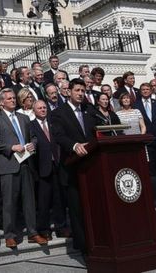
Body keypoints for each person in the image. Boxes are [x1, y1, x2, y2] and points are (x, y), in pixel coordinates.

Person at [0, 89, 44, 248]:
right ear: (2, 102)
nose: (13, 100)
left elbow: (33, 137)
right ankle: (10, 235)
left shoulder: (24, 118)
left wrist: (33, 144)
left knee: (29, 201)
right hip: (8, 165)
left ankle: (33, 233)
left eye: (14, 98)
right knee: (9, 202)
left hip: (26, 163)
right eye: (9, 98)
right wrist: (11, 147)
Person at [50, 78, 99, 254]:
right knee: (78, 211)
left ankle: (98, 243)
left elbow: (98, 132)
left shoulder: (89, 110)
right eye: (77, 90)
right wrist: (74, 146)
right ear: (69, 91)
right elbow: (58, 135)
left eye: (83, 91)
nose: (80, 94)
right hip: (72, 168)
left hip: (92, 166)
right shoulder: (58, 113)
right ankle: (84, 248)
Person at [29, 99, 68, 240]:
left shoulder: (53, 124)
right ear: (34, 110)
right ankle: (43, 229)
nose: (43, 110)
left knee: (59, 199)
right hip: (42, 168)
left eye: (44, 107)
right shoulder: (31, 125)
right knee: (44, 201)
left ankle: (61, 227)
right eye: (39, 108)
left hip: (57, 166)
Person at [135, 83, 156, 176]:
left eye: (147, 89)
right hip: (147, 139)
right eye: (143, 89)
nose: (145, 91)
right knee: (151, 163)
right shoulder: (136, 105)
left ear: (151, 91)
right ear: (140, 91)